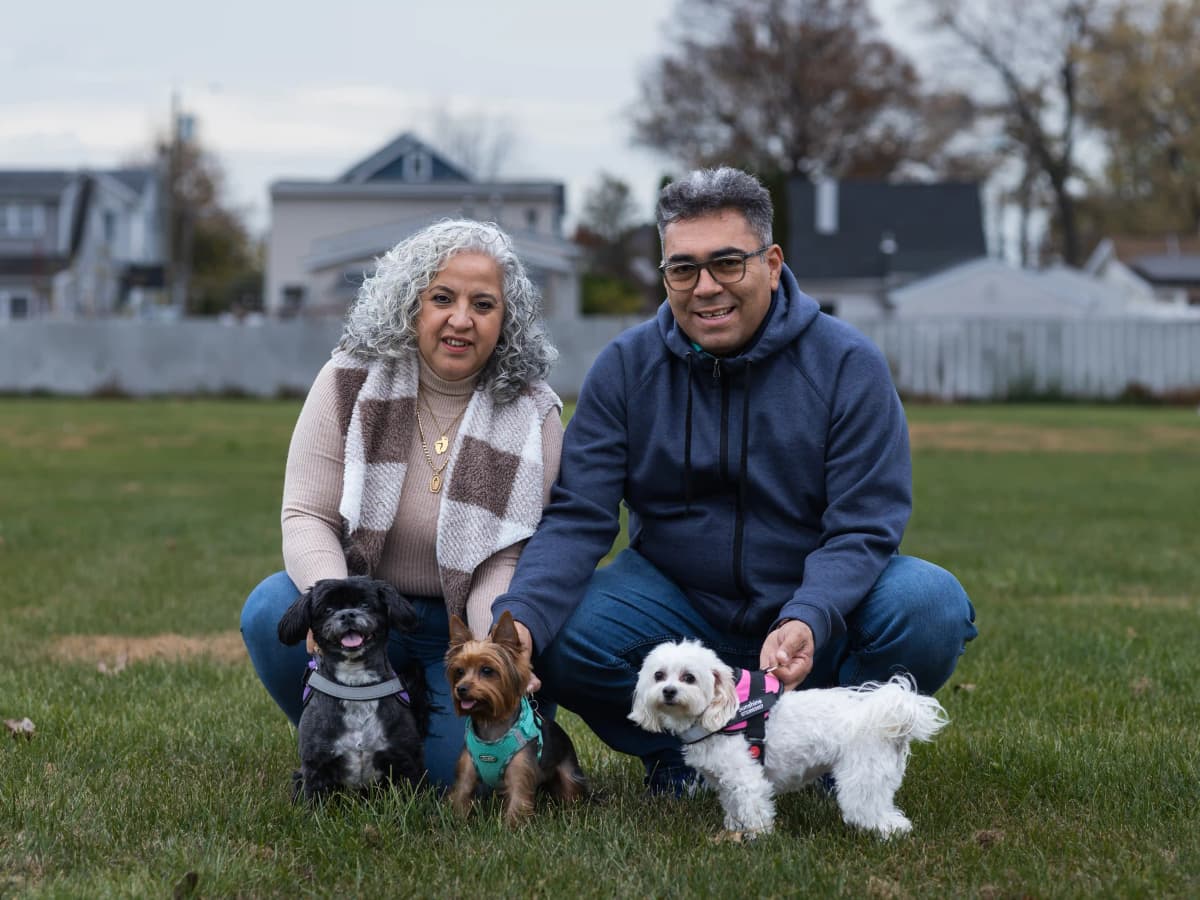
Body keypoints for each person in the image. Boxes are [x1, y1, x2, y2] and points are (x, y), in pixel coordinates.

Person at [493, 168, 978, 792]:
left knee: (929, 606)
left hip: (811, 608)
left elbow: (863, 523)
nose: (705, 287)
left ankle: (834, 756)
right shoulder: (625, 367)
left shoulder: (847, 365)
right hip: (677, 601)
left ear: (772, 264)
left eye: (727, 262)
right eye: (683, 269)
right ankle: (682, 755)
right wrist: (524, 622)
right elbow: (579, 516)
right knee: (561, 631)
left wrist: (809, 614)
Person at [240, 219, 562, 788]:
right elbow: (307, 514)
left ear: (505, 318)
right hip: (364, 605)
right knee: (271, 610)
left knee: (444, 783)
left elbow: (505, 559)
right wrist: (328, 602)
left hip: (456, 629)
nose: (461, 319)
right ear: (410, 302)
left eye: (483, 304)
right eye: (442, 298)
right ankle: (333, 745)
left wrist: (492, 656)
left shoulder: (533, 410)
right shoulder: (347, 378)